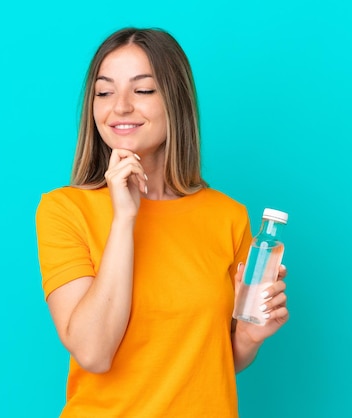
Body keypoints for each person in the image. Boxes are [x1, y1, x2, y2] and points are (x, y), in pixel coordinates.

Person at [35, 27, 289, 417]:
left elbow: (210, 362)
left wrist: (249, 339)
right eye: (104, 92)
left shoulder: (228, 217)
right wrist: (125, 218)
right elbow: (94, 352)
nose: (119, 106)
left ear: (176, 101)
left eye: (143, 90)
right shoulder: (65, 210)